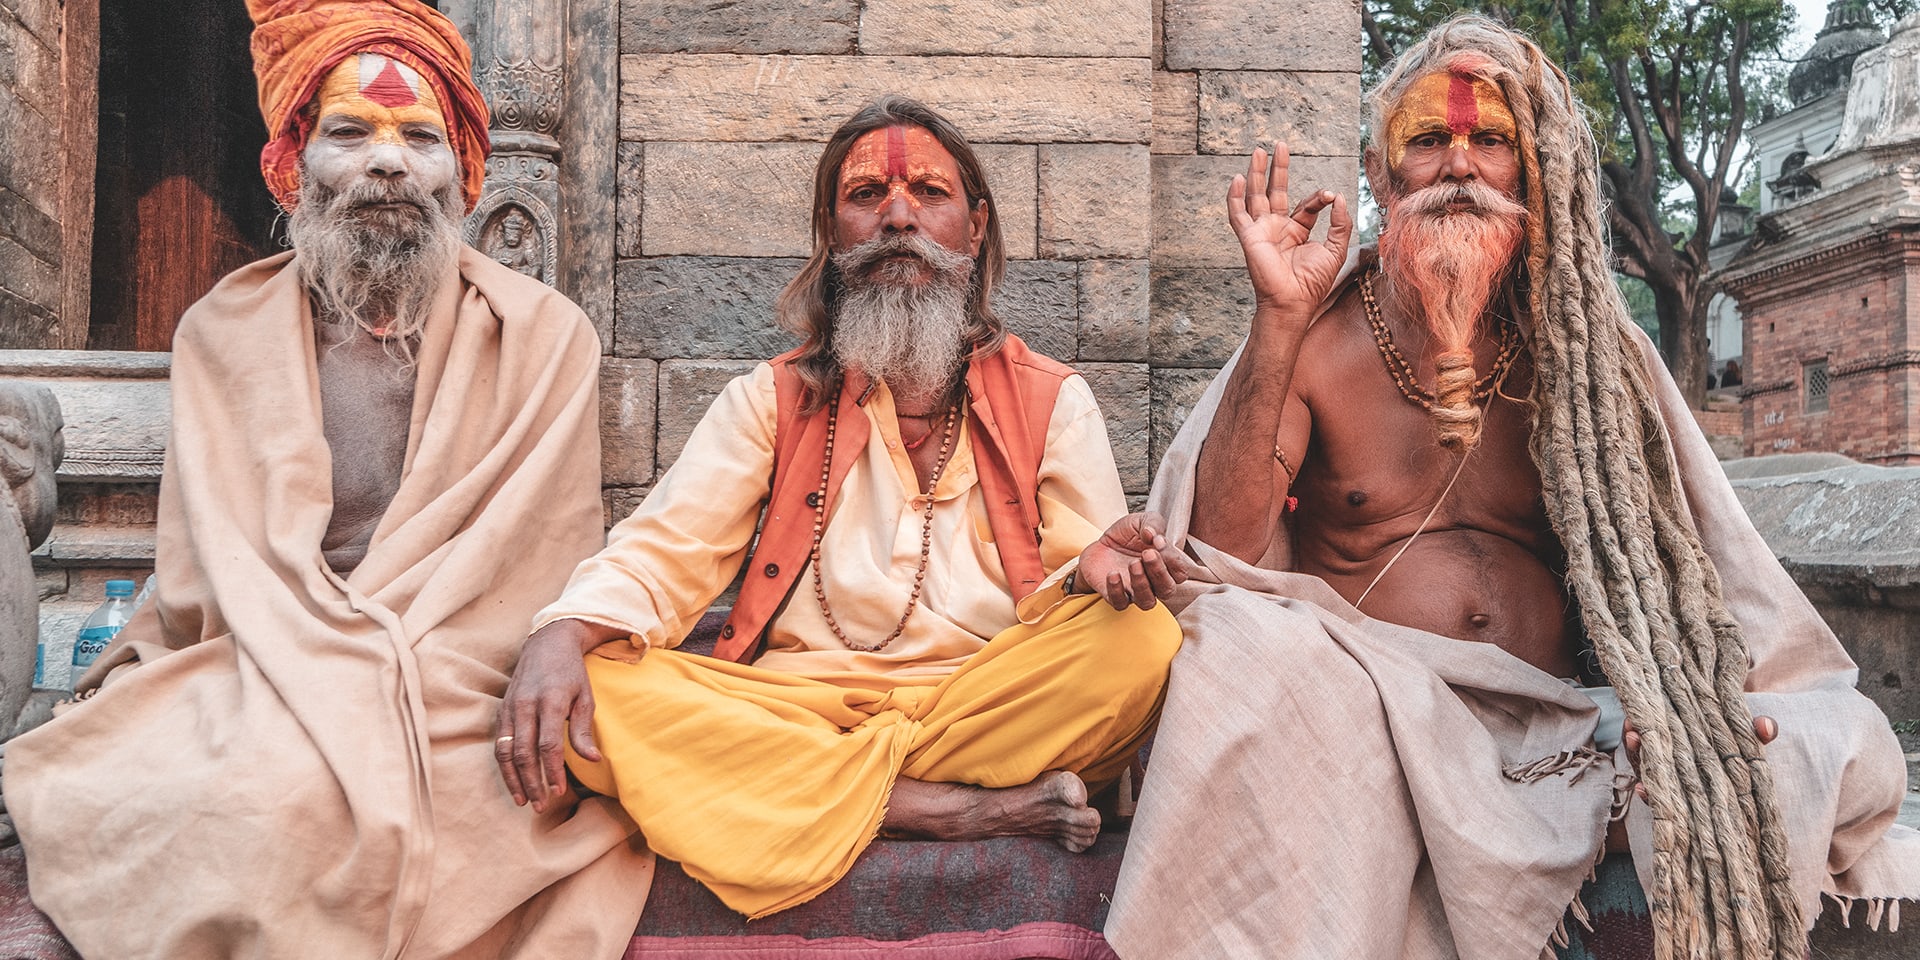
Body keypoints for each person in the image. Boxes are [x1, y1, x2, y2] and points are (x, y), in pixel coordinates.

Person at [1107, 16, 1918, 960]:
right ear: (1380, 175)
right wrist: (1277, 323)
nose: (1459, 164)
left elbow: (1698, 569)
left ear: (1531, 171)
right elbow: (1227, 556)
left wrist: (1683, 702)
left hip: (1567, 722)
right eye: (1428, 140)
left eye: (1490, 139)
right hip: (1369, 705)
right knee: (1245, 651)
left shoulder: (1588, 352)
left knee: (1827, 739)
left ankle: (1586, 807)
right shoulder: (1315, 337)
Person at [1, 1, 651, 956]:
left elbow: (526, 570)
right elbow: (205, 583)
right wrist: (315, 672)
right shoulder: (223, 331)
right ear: (293, 163)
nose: (387, 162)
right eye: (350, 133)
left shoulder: (544, 336)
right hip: (259, 661)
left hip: (464, 685)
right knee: (211, 784)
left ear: (462, 171)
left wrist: (376, 675)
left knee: (500, 789)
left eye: (420, 137)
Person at [495, 94, 1186, 920]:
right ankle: (940, 808)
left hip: (979, 703)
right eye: (867, 197)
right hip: (801, 706)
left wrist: (1093, 576)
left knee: (1143, 638)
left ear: (976, 227)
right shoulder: (770, 400)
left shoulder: (1053, 399)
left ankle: (822, 792)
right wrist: (563, 633)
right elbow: (663, 553)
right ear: (833, 233)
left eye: (929, 194)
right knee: (598, 688)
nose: (899, 218)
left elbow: (1078, 586)